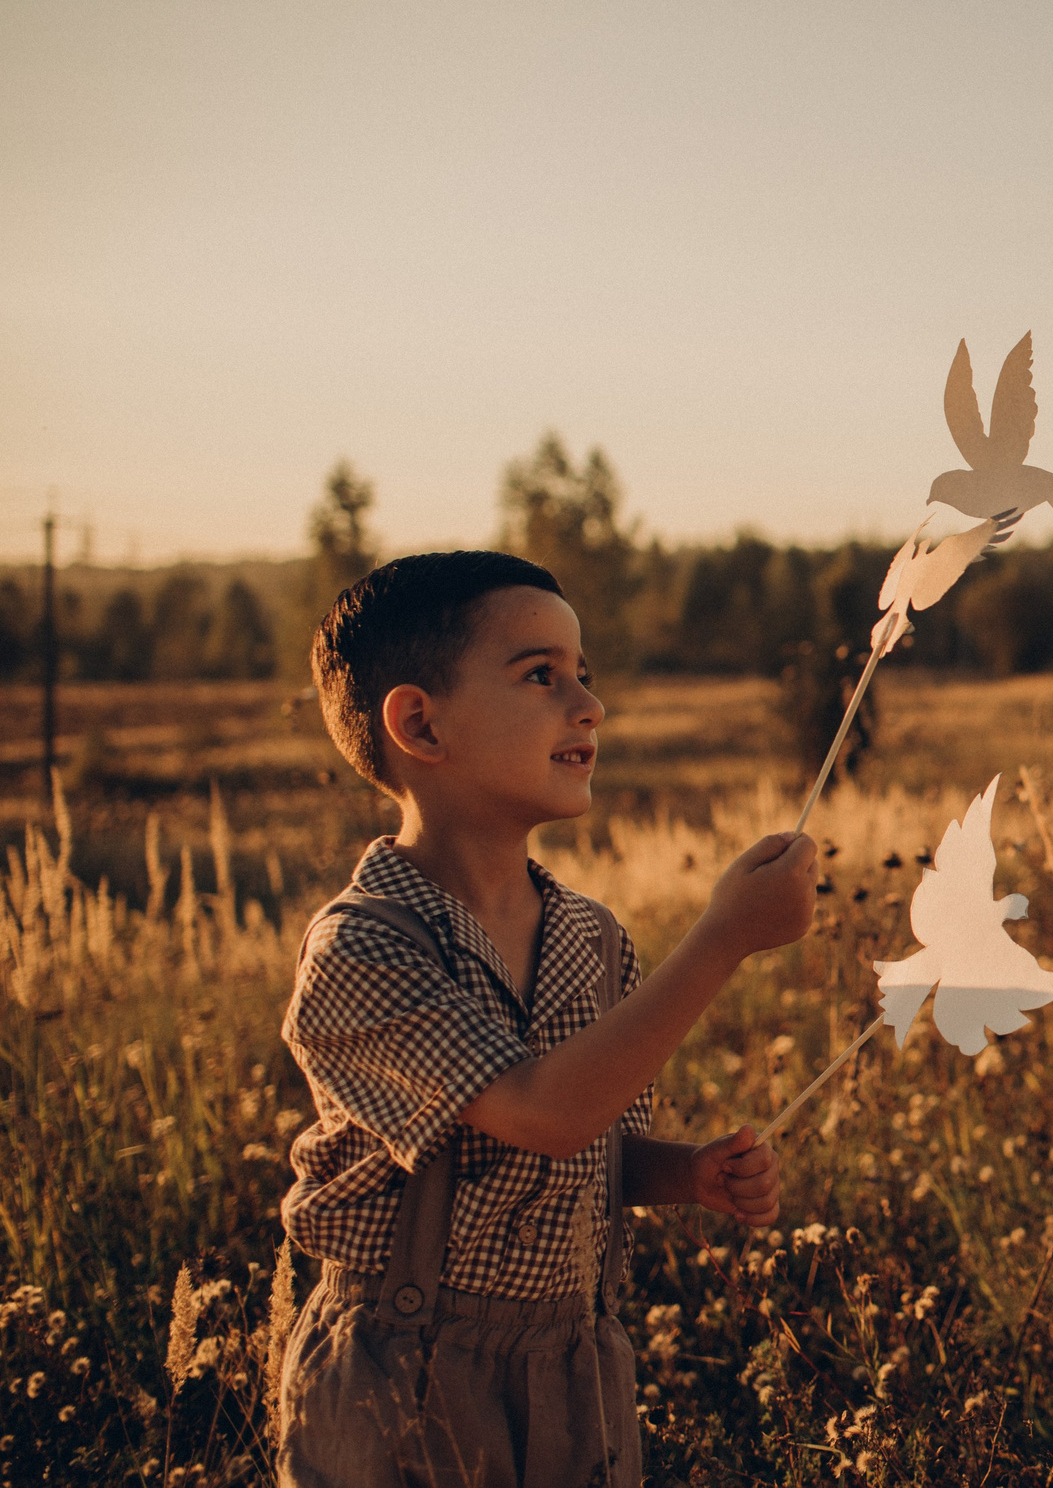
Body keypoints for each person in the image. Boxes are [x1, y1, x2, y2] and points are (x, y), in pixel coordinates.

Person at [275, 551, 818, 1487]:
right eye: (541, 675)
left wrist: (687, 1172)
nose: (589, 705)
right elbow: (542, 1110)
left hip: (577, 1367)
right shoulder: (362, 948)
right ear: (420, 723)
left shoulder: (592, 938)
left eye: (585, 675)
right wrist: (723, 937)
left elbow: (591, 1145)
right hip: (408, 1376)